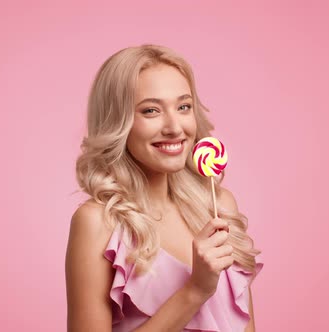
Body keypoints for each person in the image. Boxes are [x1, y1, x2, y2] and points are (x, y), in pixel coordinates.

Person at [66, 44, 264, 331]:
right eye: (151, 110)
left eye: (184, 107)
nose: (175, 127)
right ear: (118, 122)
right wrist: (195, 291)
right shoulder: (99, 222)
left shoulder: (218, 206)